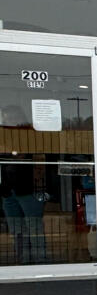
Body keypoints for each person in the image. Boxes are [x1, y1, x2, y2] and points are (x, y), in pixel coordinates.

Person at [0, 104, 49, 264]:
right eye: (5, 117)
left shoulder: (29, 134)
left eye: (9, 116)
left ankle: (40, 262)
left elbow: (33, 158)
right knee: (16, 229)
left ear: (18, 117)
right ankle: (23, 262)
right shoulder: (4, 134)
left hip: (28, 188)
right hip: (8, 189)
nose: (7, 120)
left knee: (34, 227)